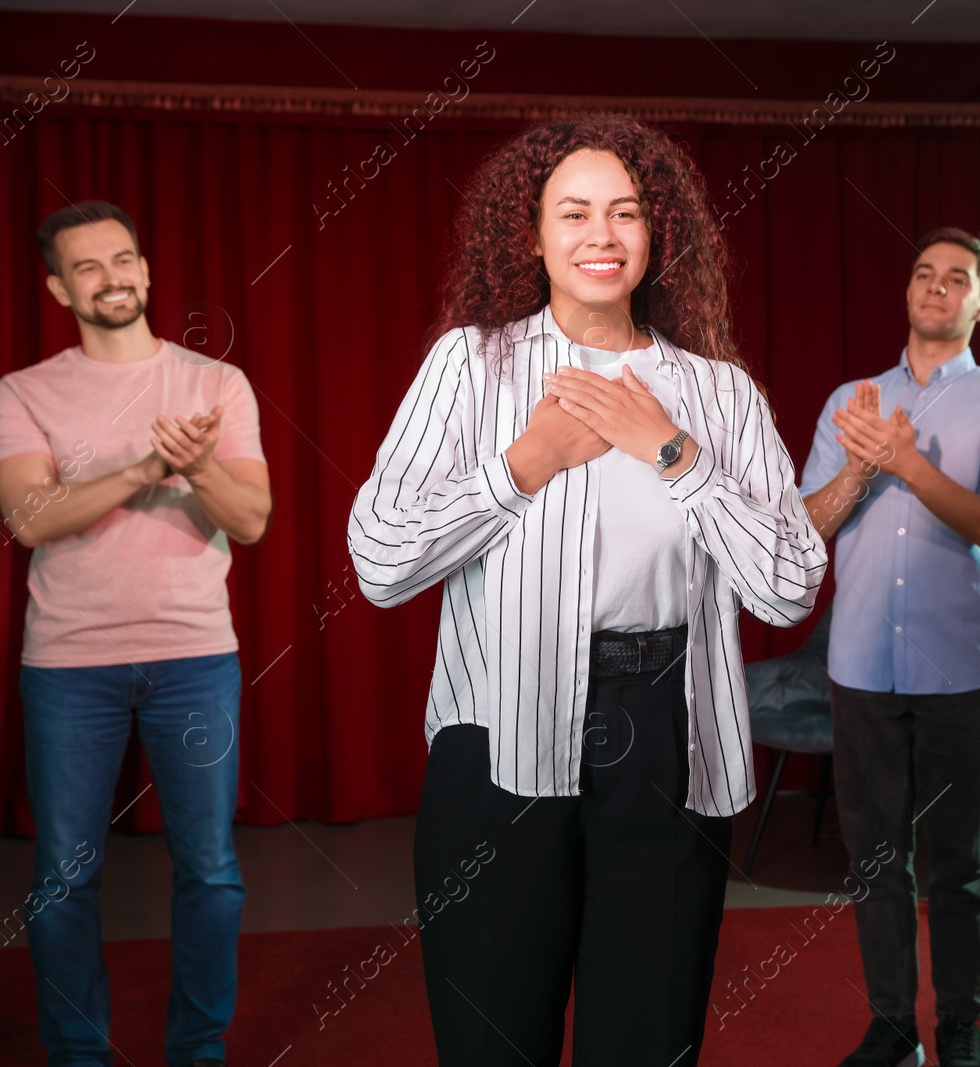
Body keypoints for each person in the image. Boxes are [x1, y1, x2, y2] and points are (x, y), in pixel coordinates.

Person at [346, 113, 826, 1067]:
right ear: (531, 235)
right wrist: (526, 463)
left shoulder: (719, 393)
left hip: (670, 730)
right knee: (494, 1034)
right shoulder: (469, 364)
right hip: (500, 733)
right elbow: (380, 559)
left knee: (648, 1038)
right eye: (574, 214)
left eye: (626, 214)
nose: (602, 237)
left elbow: (787, 585)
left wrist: (674, 454)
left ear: (656, 236)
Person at [0, 200, 272, 1067]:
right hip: (70, 667)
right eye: (87, 267)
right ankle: (79, 1054)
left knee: (212, 873)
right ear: (57, 287)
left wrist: (198, 466)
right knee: (64, 879)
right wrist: (152, 466)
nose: (111, 277)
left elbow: (254, 518)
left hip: (196, 658)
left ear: (146, 271)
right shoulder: (23, 391)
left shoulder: (216, 385)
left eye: (122, 260)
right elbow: (32, 517)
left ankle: (198, 1051)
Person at [798, 227, 980, 1067]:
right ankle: (894, 1025)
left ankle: (962, 1026)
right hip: (861, 663)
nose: (937, 288)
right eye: (924, 274)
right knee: (875, 858)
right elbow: (807, 527)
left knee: (962, 865)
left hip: (962, 671)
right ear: (907, 291)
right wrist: (861, 470)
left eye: (958, 279)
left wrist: (906, 461)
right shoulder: (848, 400)